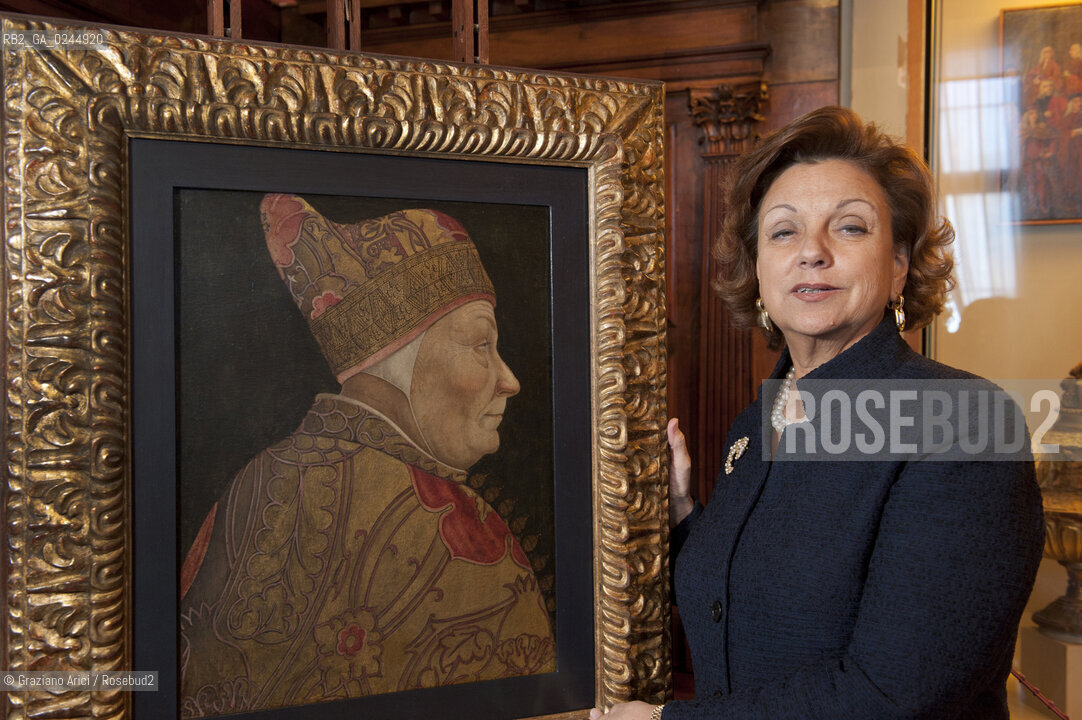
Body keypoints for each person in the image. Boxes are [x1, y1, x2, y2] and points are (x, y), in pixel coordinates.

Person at [592, 106, 1043, 720]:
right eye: (783, 232)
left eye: (850, 228)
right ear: (757, 270)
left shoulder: (963, 422)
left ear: (900, 266)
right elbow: (762, 596)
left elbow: (892, 696)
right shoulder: (755, 426)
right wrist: (679, 519)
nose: (812, 253)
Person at [179, 196, 555, 717]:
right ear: (403, 361)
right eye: (480, 344)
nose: (509, 380)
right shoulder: (465, 528)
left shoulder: (257, 478)